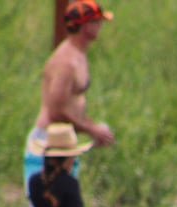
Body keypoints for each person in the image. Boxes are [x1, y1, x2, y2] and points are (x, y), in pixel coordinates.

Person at [23, 0, 115, 192]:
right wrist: (92, 130)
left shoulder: (80, 55)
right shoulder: (66, 61)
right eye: (97, 22)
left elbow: (72, 105)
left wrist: (91, 127)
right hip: (48, 144)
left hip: (65, 145)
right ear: (85, 26)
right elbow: (56, 110)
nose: (100, 27)